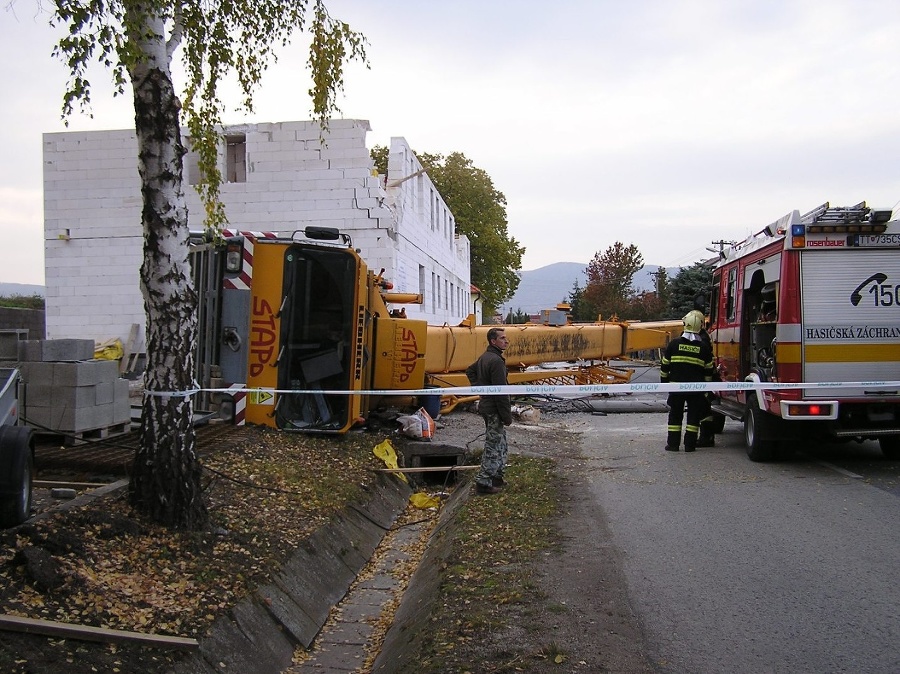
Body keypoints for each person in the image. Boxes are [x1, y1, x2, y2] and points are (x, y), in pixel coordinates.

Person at [465, 327, 512, 495]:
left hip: (487, 406)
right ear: (493, 341)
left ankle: (497, 476)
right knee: (493, 445)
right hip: (493, 409)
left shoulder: (486, 357)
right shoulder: (496, 361)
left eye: (506, 338)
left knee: (501, 442)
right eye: (502, 338)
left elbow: (470, 371)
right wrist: (507, 415)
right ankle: (484, 483)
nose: (506, 341)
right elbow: (501, 392)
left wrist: (480, 389)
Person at [660, 311, 715, 452]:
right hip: (696, 389)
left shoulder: (674, 344)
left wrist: (664, 382)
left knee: (675, 416)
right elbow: (709, 370)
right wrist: (706, 388)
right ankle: (690, 445)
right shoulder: (703, 348)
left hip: (676, 388)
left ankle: (673, 445)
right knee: (693, 417)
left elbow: (665, 366)